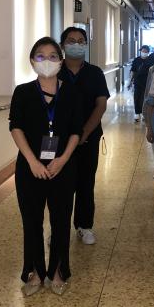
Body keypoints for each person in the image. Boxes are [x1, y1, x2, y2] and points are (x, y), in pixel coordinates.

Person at [9, 37, 83, 296]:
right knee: (31, 222)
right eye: (40, 56)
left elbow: (76, 131)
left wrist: (63, 159)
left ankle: (58, 271)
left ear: (61, 61)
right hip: (30, 168)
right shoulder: (23, 92)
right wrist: (32, 161)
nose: (47, 61)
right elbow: (15, 127)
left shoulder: (72, 93)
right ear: (32, 62)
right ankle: (34, 272)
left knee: (61, 221)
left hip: (63, 167)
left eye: (53, 56)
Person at [59, 27, 110, 246]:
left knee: (85, 182)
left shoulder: (94, 73)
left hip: (88, 138)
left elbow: (101, 105)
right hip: (60, 140)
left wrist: (84, 132)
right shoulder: (54, 71)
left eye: (81, 41)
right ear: (62, 45)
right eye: (71, 40)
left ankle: (84, 225)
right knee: (60, 185)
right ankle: (58, 228)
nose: (76, 45)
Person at [130, 45, 154, 122]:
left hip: (146, 82)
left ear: (148, 52)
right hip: (137, 82)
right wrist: (131, 81)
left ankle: (143, 113)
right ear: (140, 51)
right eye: (143, 51)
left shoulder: (150, 60)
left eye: (145, 51)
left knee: (144, 98)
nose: (144, 53)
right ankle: (137, 113)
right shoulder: (136, 60)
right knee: (136, 97)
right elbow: (133, 70)